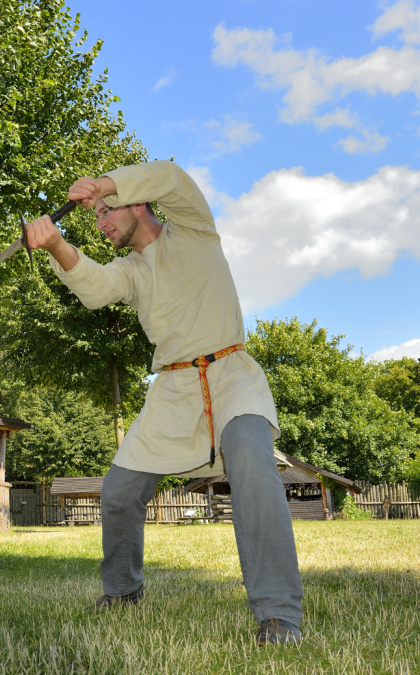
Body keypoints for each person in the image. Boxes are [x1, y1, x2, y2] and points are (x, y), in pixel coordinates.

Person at [24, 161, 304, 646]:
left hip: (232, 377)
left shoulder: (193, 229)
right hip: (173, 390)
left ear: (138, 202)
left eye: (107, 211)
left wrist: (101, 184)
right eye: (95, 216)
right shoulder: (131, 271)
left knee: (252, 464)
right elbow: (95, 288)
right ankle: (122, 591)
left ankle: (278, 614)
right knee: (118, 493)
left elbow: (173, 180)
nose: (101, 221)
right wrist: (54, 244)